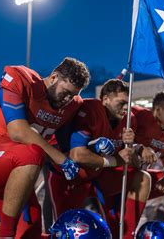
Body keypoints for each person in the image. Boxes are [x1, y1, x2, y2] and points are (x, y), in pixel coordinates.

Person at [0, 58, 90, 238]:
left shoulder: (73, 105)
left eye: (72, 95)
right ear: (54, 77)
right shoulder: (22, 79)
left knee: (29, 235)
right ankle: (6, 236)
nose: (67, 99)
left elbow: (65, 146)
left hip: (20, 178)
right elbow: (18, 131)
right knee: (33, 152)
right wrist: (61, 159)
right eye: (65, 92)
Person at [48, 79, 150, 239]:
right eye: (121, 103)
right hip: (70, 176)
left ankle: (129, 236)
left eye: (128, 103)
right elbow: (77, 155)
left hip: (98, 177)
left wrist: (134, 147)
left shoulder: (130, 120)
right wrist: (115, 160)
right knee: (66, 230)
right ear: (105, 99)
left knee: (143, 178)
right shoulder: (91, 109)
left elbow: (134, 163)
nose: (125, 108)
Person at [130, 91, 164, 236]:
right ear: (158, 110)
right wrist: (139, 148)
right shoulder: (138, 115)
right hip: (119, 174)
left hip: (140, 180)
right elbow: (116, 139)